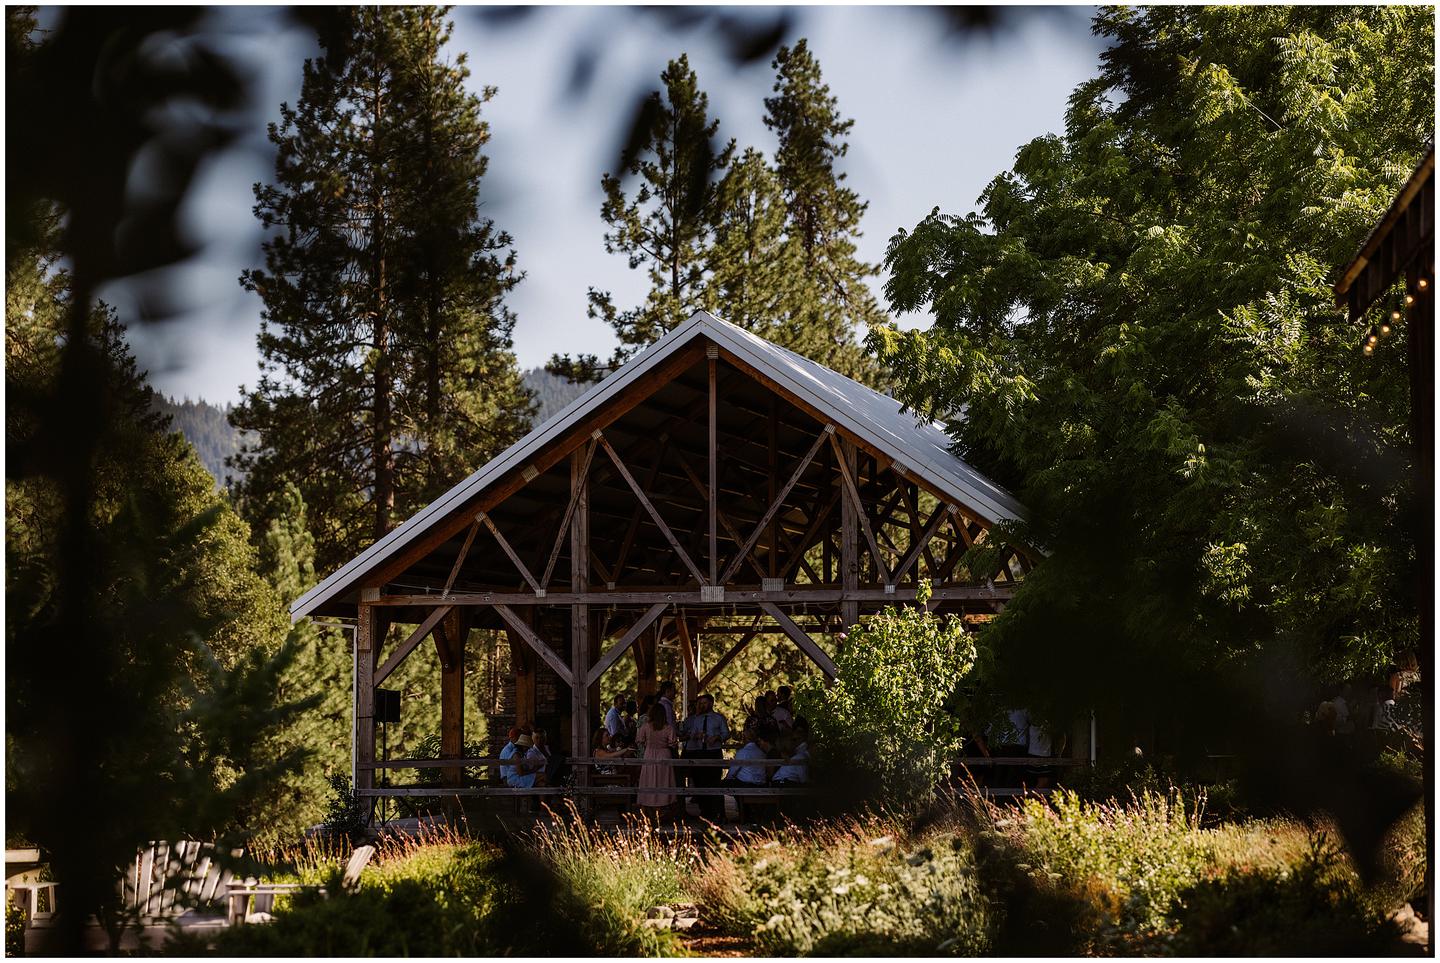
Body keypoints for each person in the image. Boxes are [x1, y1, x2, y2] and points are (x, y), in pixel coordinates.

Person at [682, 693, 730, 820]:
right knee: (700, 782)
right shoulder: (696, 719)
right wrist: (695, 735)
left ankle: (719, 814)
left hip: (714, 752)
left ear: (711, 703)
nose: (702, 706)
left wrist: (717, 737)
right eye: (700, 703)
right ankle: (704, 812)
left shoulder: (719, 718)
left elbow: (726, 733)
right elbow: (691, 733)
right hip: (699, 752)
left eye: (704, 703)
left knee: (714, 783)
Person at [636, 702, 680, 816]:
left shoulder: (646, 726)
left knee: (648, 780)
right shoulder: (668, 728)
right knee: (663, 781)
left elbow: (639, 739)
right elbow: (673, 743)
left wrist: (647, 743)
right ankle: (661, 808)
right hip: (664, 754)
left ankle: (646, 808)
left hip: (649, 753)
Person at [772, 719, 810, 785]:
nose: (799, 735)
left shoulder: (801, 750)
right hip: (783, 781)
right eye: (797, 732)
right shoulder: (796, 751)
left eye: (801, 732)